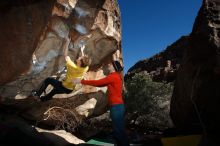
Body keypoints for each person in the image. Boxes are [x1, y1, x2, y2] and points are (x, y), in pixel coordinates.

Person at [74, 60, 130, 146]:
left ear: (114, 68)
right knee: (118, 129)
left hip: (116, 106)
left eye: (111, 64)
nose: (109, 65)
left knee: (119, 130)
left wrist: (81, 81)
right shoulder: (115, 76)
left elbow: (97, 83)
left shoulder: (113, 76)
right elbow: (100, 84)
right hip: (117, 106)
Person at [32, 36, 91, 101]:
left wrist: (67, 43)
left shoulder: (72, 66)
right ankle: (41, 100)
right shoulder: (85, 68)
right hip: (70, 90)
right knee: (54, 91)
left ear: (80, 63)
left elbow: (65, 55)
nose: (79, 57)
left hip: (64, 87)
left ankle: (37, 94)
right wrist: (82, 51)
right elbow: (84, 61)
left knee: (48, 80)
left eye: (80, 59)